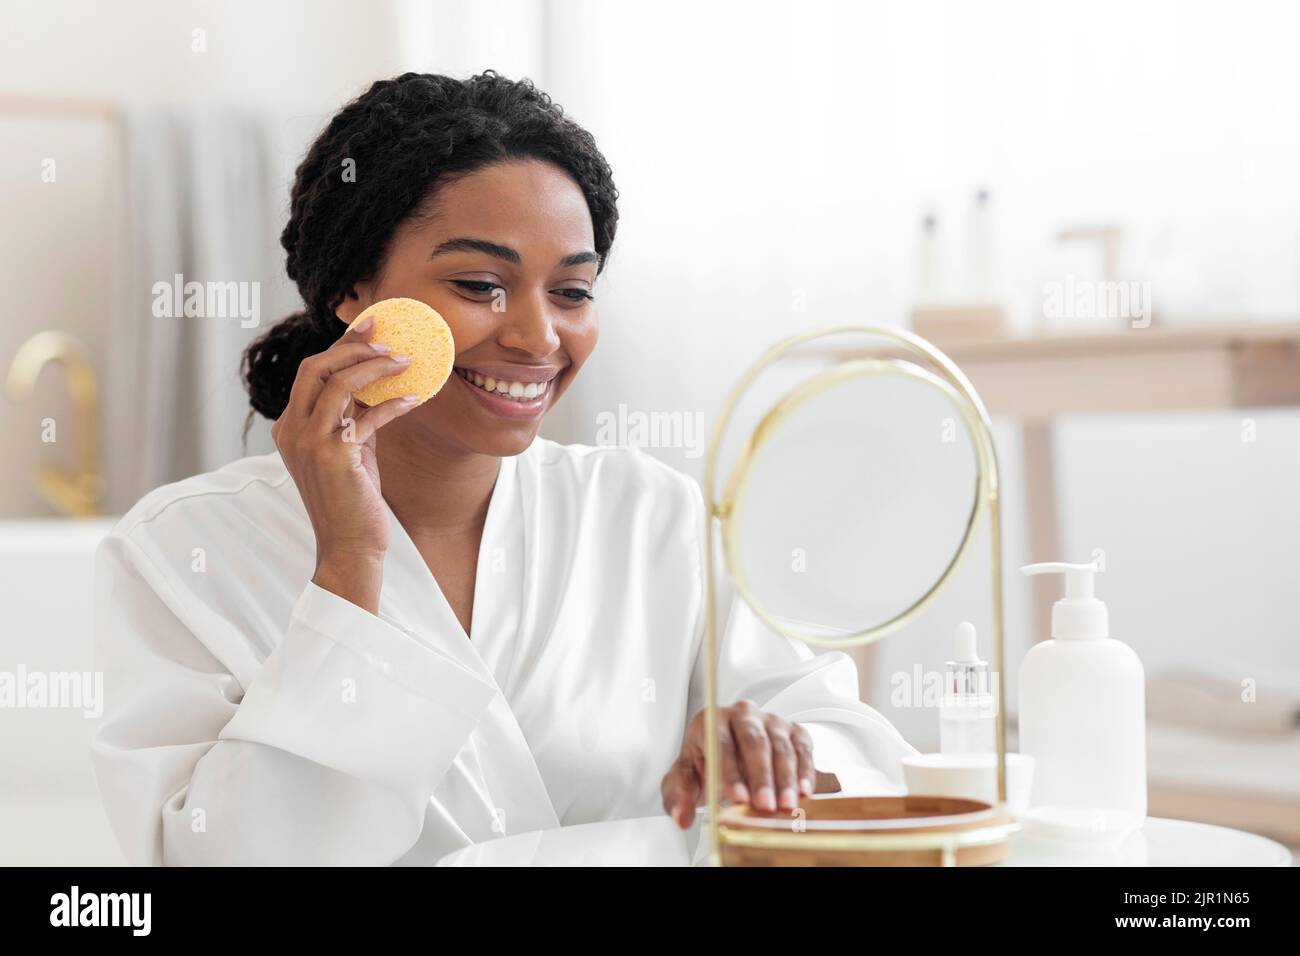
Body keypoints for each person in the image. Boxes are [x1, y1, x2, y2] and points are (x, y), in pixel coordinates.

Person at [91, 71, 914, 865]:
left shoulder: (644, 514)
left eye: (573, 291)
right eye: (480, 284)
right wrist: (349, 571)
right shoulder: (184, 553)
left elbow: (858, 757)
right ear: (352, 286)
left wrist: (771, 757)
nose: (536, 339)